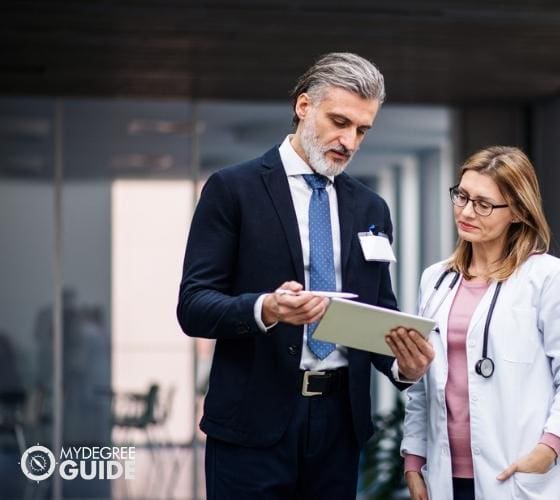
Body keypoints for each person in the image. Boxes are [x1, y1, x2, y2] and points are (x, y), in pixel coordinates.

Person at [177, 52, 434, 500]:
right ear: (303, 106)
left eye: (361, 130)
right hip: (252, 424)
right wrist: (267, 308)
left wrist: (402, 365)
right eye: (339, 122)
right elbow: (194, 306)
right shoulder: (232, 190)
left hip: (339, 426)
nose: (349, 141)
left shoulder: (372, 208)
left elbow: (378, 311)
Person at [395, 146, 560, 499]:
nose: (466, 211)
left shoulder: (549, 277)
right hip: (444, 478)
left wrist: (548, 449)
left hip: (516, 474)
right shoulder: (437, 279)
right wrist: (414, 460)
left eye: (483, 203)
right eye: (461, 196)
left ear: (519, 211)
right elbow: (424, 386)